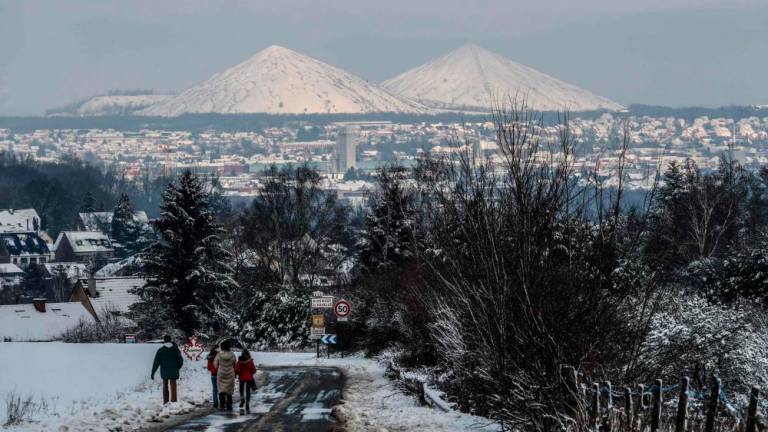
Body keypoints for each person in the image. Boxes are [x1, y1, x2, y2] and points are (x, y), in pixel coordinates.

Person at [151, 335, 184, 404]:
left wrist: (153, 372)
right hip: (174, 371)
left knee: (165, 385)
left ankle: (165, 402)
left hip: (164, 371)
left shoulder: (160, 350)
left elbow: (156, 362)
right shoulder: (175, 349)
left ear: (164, 340)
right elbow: (180, 360)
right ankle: (174, 402)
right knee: (173, 385)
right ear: (170, 340)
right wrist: (178, 367)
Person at [213, 340, 237, 411]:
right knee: (229, 391)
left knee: (221, 390)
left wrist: (219, 368)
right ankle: (229, 405)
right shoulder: (232, 355)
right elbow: (235, 364)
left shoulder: (219, 355)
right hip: (230, 374)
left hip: (221, 374)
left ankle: (222, 405)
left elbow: (215, 364)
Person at [234, 349, 257, 414]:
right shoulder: (250, 361)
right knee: (248, 391)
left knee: (241, 389)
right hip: (249, 377)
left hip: (241, 377)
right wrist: (251, 372)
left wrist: (239, 372)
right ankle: (247, 403)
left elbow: (236, 369)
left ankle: (242, 399)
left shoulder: (239, 361)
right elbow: (254, 370)